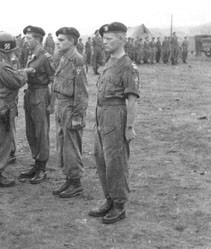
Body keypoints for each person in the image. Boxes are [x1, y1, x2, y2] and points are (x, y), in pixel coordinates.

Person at [88, 22, 140, 224]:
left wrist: (129, 127)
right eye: (104, 39)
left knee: (116, 162)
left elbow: (132, 100)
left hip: (116, 115)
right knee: (101, 159)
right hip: (102, 114)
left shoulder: (128, 66)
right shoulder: (109, 62)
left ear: (122, 39)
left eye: (109, 39)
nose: (105, 42)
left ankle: (119, 205)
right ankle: (109, 199)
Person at [0, 32, 31, 187]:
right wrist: (25, 74)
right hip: (0, 106)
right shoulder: (2, 63)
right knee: (1, 142)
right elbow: (15, 81)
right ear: (8, 49)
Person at [51, 27, 88, 198]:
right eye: (58, 40)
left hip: (71, 108)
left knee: (71, 146)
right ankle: (69, 178)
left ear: (72, 41)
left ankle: (76, 183)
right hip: (61, 104)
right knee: (62, 145)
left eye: (61, 40)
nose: (58, 43)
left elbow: (81, 91)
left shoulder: (77, 61)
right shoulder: (64, 58)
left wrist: (78, 115)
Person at [17, 25, 55, 184]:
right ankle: (36, 163)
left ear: (38, 39)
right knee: (31, 131)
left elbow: (54, 80)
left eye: (29, 38)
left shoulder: (45, 56)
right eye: (25, 38)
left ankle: (42, 168)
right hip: (30, 93)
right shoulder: (31, 54)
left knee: (41, 131)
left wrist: (52, 103)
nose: (26, 41)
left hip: (41, 94)